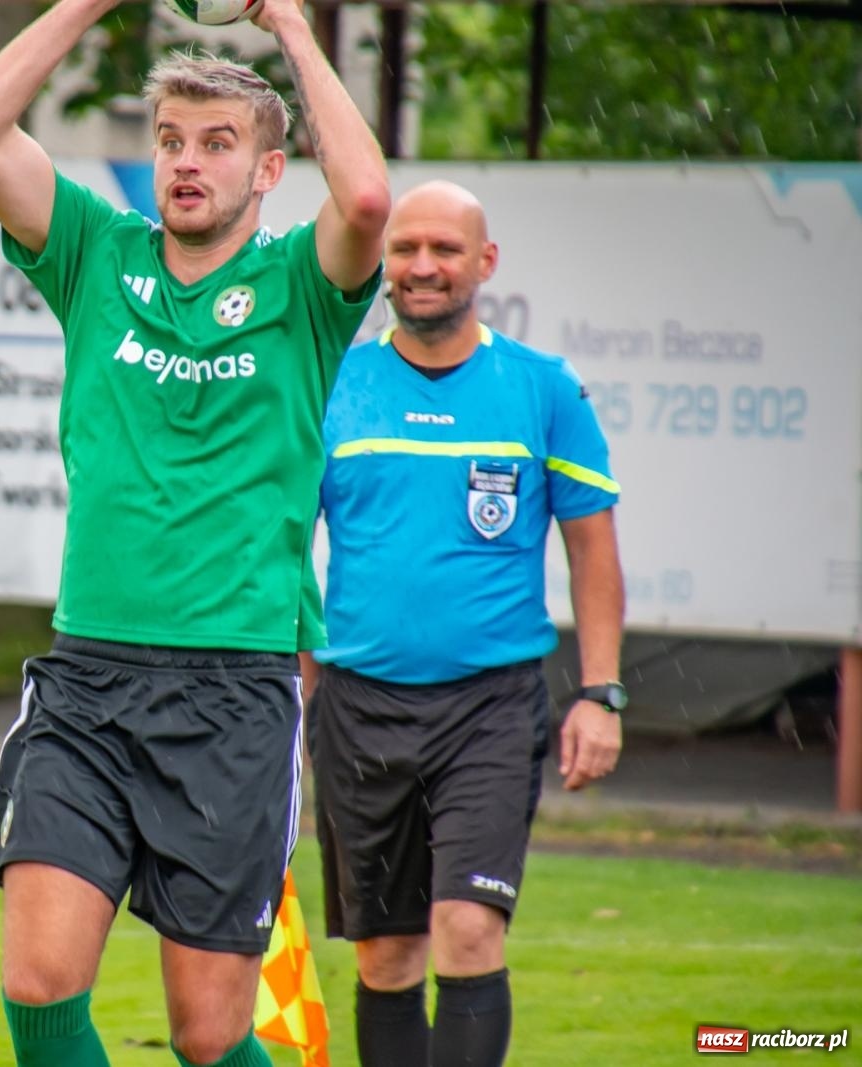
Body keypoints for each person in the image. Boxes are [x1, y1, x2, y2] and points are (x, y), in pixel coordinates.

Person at [0, 0, 390, 1062]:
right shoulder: (96, 254)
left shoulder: (299, 286)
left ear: (268, 171)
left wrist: (290, 26)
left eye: (219, 144)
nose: (187, 163)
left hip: (232, 692)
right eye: (171, 141)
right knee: (39, 986)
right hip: (88, 679)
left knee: (207, 1034)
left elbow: (367, 195)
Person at [300, 180, 626, 1067]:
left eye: (445, 249)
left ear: (484, 264)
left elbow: (593, 550)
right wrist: (284, 697)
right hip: (358, 706)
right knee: (388, 954)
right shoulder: (335, 383)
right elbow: (284, 547)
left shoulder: (541, 388)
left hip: (489, 706)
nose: (422, 266)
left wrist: (601, 693)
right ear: (381, 265)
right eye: (404, 249)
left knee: (469, 931)